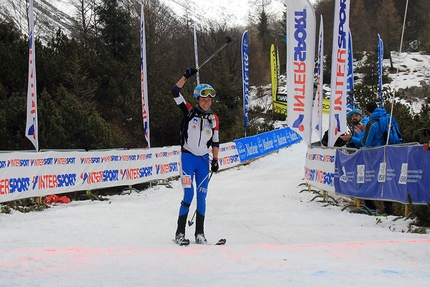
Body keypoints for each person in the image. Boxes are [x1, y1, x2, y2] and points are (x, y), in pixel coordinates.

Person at [172, 67, 220, 245]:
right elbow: (175, 91)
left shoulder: (213, 119)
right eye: (203, 99)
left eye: (209, 100)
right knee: (188, 195)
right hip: (188, 159)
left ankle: (200, 233)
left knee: (202, 196)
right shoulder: (189, 111)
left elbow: (215, 141)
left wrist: (215, 160)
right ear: (197, 99)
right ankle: (180, 232)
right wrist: (185, 76)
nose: (207, 103)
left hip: (203, 161)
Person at [362, 101, 394, 214]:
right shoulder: (388, 117)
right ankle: (389, 209)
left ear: (369, 111)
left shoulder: (372, 123)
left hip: (375, 155)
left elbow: (366, 143)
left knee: (369, 179)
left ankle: (371, 207)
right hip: (391, 153)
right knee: (386, 180)